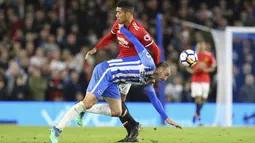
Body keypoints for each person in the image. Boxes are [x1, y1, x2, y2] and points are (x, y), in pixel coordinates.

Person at [50, 25, 182, 143]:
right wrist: (123, 29)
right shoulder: (148, 62)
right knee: (88, 102)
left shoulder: (148, 81)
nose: (166, 78)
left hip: (114, 81)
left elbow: (154, 100)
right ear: (160, 68)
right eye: (167, 74)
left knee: (117, 111)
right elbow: (136, 42)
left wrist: (166, 118)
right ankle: (57, 129)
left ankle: (82, 107)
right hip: (106, 71)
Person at [78, 0, 161, 141]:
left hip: (132, 68)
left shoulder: (139, 31)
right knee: (118, 102)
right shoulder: (118, 25)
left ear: (128, 14)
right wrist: (96, 48)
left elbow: (156, 50)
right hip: (120, 65)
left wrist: (156, 71)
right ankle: (133, 130)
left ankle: (132, 128)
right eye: (116, 11)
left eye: (119, 12)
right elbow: (110, 37)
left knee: (117, 103)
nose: (116, 15)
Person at [186, 41, 216, 126]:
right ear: (197, 46)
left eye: (203, 45)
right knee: (198, 98)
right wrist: (192, 71)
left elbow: (213, 67)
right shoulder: (192, 55)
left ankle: (196, 113)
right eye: (199, 46)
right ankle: (199, 119)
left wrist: (206, 70)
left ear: (205, 46)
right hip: (196, 80)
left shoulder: (209, 55)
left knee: (204, 98)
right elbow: (186, 66)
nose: (201, 47)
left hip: (205, 80)